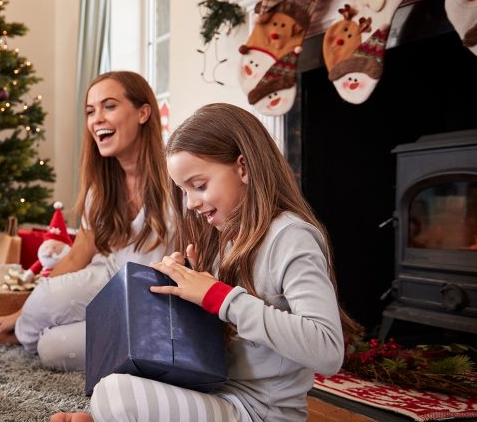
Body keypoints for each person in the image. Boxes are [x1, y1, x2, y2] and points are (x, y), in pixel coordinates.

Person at [54, 103, 360, 422]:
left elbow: (328, 351)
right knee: (114, 382)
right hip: (212, 390)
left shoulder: (291, 236)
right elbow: (220, 338)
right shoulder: (223, 238)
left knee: (115, 393)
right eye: (184, 191)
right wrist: (185, 291)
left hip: (261, 411)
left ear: (243, 167)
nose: (190, 203)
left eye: (199, 186)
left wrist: (217, 296)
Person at [0, 71, 172, 371]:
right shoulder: (101, 188)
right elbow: (79, 254)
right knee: (47, 327)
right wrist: (20, 313)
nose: (97, 119)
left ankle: (28, 333)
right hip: (110, 280)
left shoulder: (176, 179)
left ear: (143, 113)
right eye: (90, 111)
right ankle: (23, 330)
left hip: (157, 302)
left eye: (109, 106)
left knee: (53, 349)